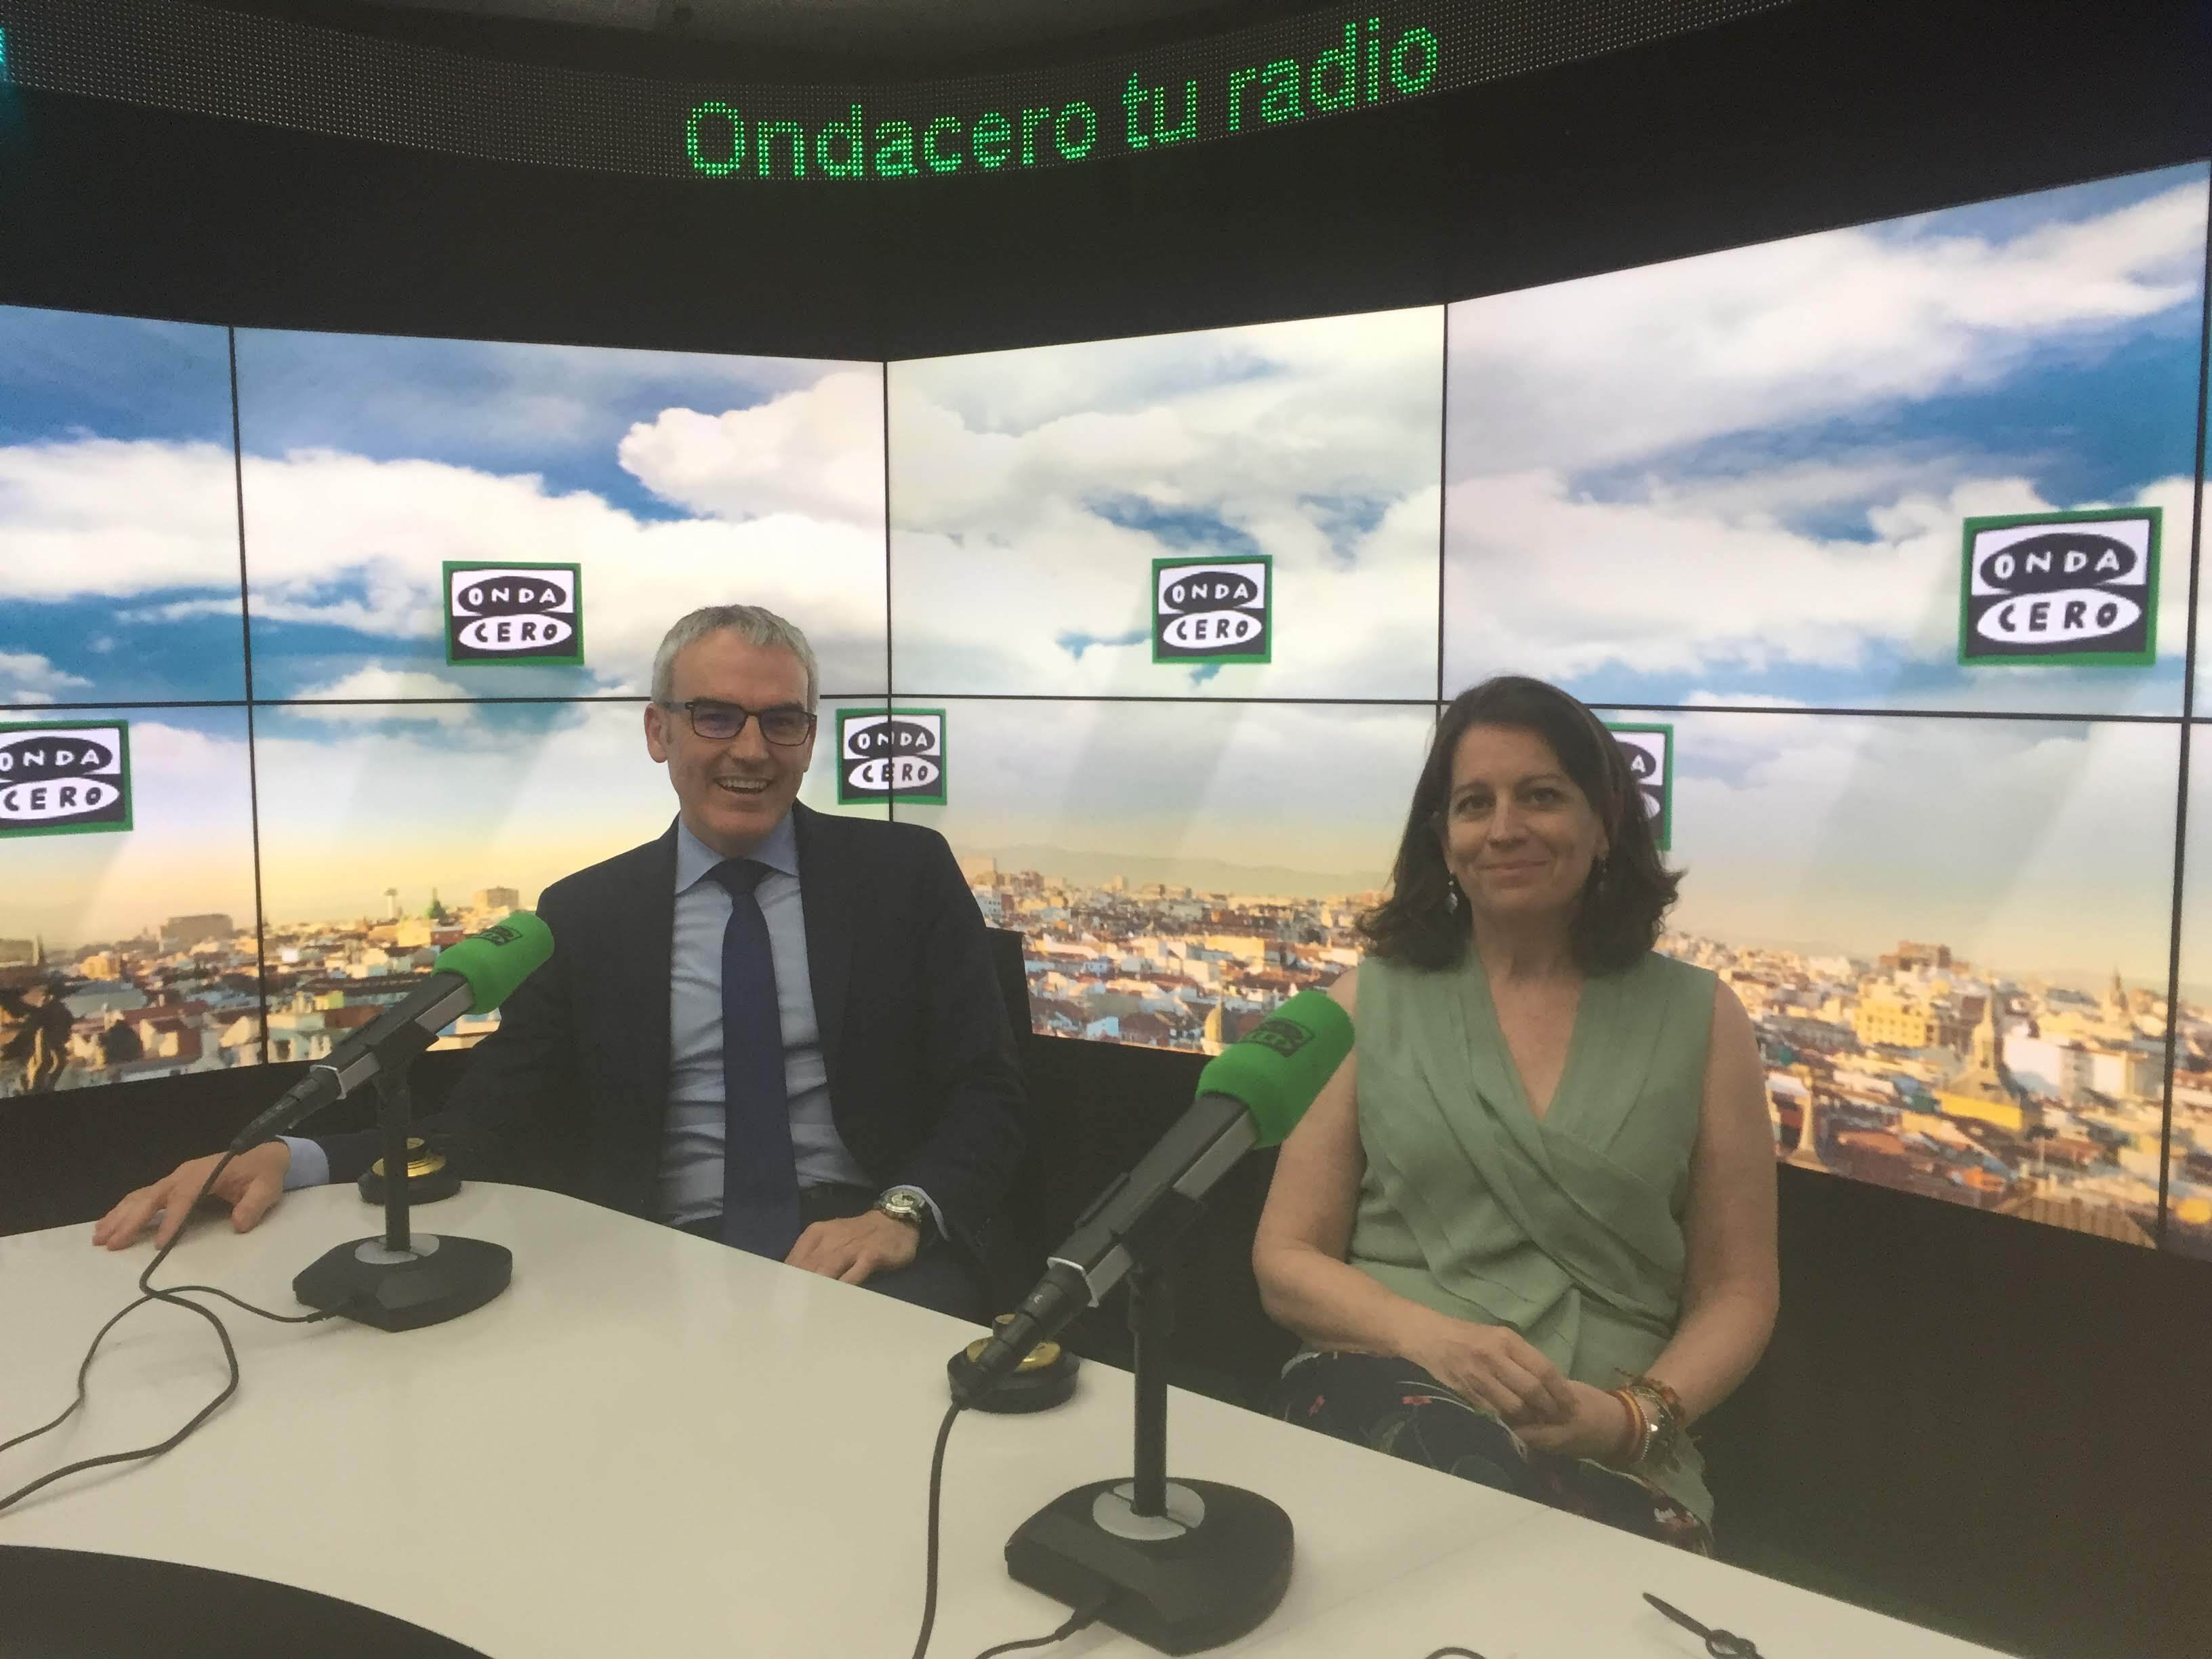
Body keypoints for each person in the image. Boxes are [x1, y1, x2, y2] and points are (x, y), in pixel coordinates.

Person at [95, 605, 1028, 1321]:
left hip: (867, 1240)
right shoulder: (584, 914)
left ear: (810, 740)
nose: (752, 749)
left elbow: (989, 1092)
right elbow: (491, 1123)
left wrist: (902, 1214)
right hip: (644, 1256)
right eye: (716, 717)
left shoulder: (902, 874)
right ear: (659, 732)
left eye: (782, 722)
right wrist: (293, 1156)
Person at [1252, 675, 1777, 1553]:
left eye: (1541, 796)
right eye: (1473, 804)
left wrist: (1627, 1421)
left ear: (1604, 822)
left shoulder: (1704, 1018)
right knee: (1437, 1478)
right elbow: (1286, 1260)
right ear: (1444, 842)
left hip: (1613, 1438)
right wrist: (1435, 1342)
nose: (1504, 828)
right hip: (1383, 1391)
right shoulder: (1364, 1002)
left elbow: (1738, 1292)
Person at [2, 981, 75, 1094]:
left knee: (57, 1062)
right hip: (47, 1036)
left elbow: (68, 1020)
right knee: (45, 1063)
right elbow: (32, 1021)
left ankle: (42, 1086)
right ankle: (37, 1087)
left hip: (53, 1037)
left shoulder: (55, 1007)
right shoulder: (49, 1007)